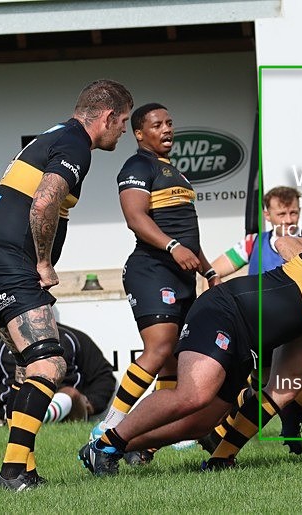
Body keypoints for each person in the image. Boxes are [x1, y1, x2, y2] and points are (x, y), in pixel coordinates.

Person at [78, 188, 302, 477]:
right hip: (224, 311)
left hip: (250, 342)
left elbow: (285, 389)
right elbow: (298, 241)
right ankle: (108, 440)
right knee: (194, 395)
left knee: (201, 423)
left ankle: (114, 445)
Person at [0, 79, 132, 490]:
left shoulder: (57, 135)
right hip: (11, 263)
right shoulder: (76, 144)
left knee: (30, 367)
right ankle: (10, 473)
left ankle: (24, 470)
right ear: (108, 117)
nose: (124, 131)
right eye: (125, 122)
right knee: (50, 364)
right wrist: (43, 261)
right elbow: (44, 201)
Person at [93, 103, 221, 463]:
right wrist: (172, 246)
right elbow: (135, 219)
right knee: (160, 349)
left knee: (174, 360)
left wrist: (208, 271)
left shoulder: (174, 172)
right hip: (151, 270)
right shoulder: (136, 166)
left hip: (182, 274)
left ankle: (145, 443)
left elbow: (187, 235)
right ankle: (110, 426)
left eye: (169, 122)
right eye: (156, 124)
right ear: (138, 133)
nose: (166, 129)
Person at [0, 323, 114, 427]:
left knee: (70, 393)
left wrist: (90, 403)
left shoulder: (72, 337)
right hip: (16, 413)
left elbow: (104, 376)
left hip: (67, 413)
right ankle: (26, 420)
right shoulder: (0, 343)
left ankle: (38, 418)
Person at [212, 186, 302, 278]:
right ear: (267, 215)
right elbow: (211, 273)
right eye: (282, 214)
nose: (289, 220)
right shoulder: (252, 242)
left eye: (293, 213)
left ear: (300, 211)